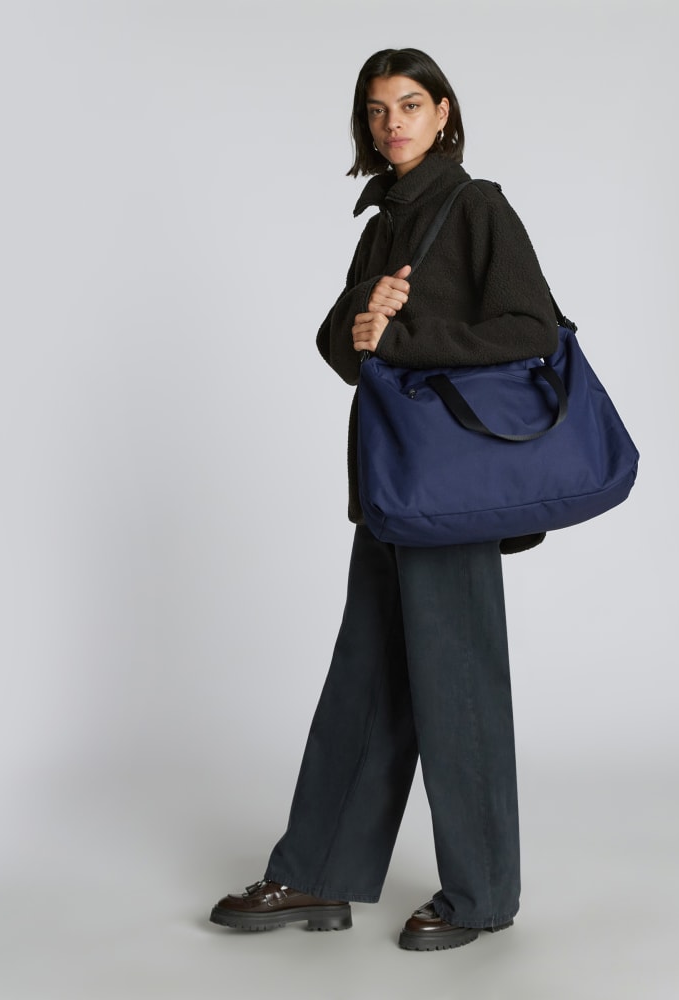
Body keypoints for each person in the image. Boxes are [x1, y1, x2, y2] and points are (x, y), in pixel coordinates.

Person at [210, 47, 558, 952]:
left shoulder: (476, 207)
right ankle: (317, 874)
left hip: (451, 487)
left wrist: (404, 334)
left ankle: (482, 895)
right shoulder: (385, 219)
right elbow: (345, 347)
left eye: (409, 104)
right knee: (366, 675)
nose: (392, 122)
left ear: (444, 113)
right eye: (376, 109)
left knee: (458, 684)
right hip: (393, 482)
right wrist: (369, 314)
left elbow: (532, 329)